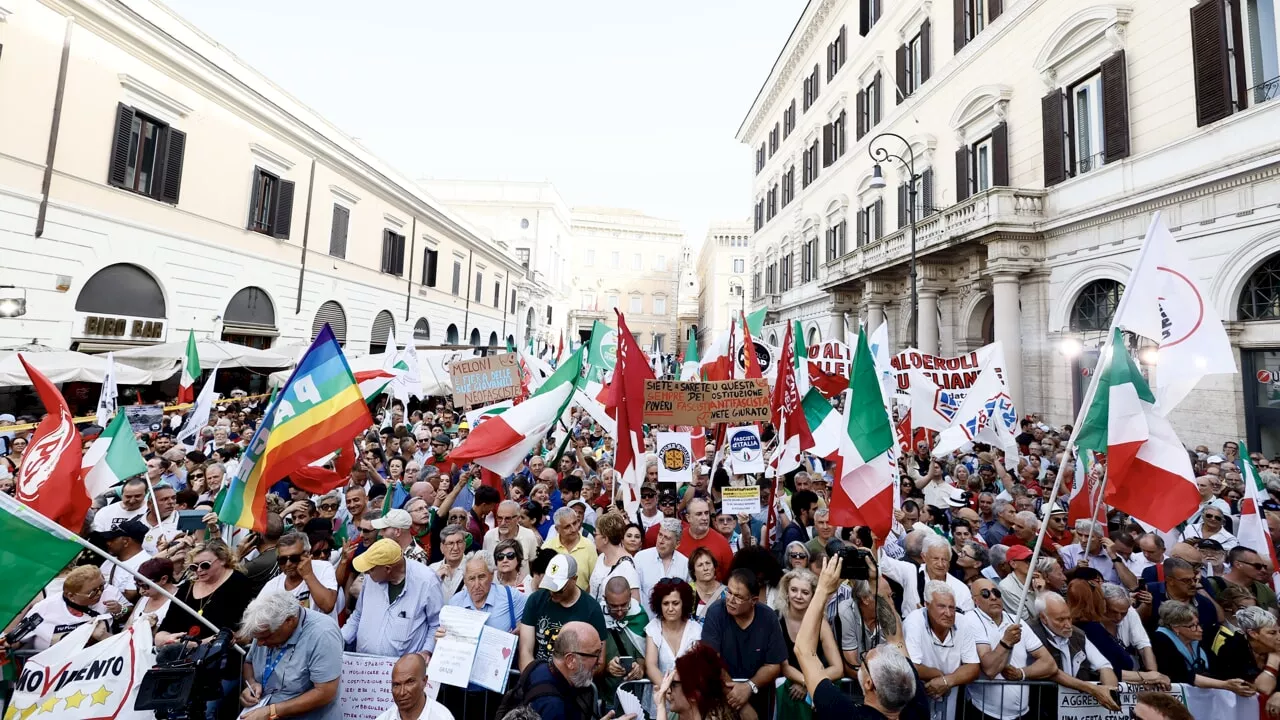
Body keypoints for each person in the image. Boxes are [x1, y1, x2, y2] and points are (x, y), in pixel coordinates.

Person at [796, 555, 917, 720]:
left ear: (869, 683)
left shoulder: (844, 713)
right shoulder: (917, 706)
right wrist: (875, 579)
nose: (872, 649)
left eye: (865, 660)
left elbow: (804, 650)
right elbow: (896, 639)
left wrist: (822, 589)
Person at [237, 591, 343, 720]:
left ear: (289, 621)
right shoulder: (264, 627)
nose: (259, 644)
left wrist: (271, 711)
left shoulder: (323, 633)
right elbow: (249, 662)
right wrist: (251, 684)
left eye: (266, 637)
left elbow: (325, 692)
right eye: (256, 638)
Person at [963, 577, 1057, 720]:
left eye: (996, 592)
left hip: (1023, 713)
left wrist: (1021, 673)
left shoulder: (1016, 620)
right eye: (985, 594)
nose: (993, 597)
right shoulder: (970, 619)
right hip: (985, 712)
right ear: (975, 600)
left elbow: (1049, 664)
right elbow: (990, 670)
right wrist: (1006, 642)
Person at [701, 568, 787, 719]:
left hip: (760, 695)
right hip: (721, 696)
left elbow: (773, 666)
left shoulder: (768, 618)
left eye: (739, 597)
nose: (731, 600)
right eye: (729, 592)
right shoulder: (716, 612)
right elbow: (712, 661)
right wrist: (740, 703)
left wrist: (749, 687)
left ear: (753, 601)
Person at [343, 538, 444, 659]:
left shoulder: (427, 581)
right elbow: (358, 615)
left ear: (387, 569)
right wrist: (339, 639)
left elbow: (436, 624)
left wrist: (426, 651)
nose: (366, 572)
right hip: (365, 666)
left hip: (403, 671)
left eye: (371, 569)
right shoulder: (370, 579)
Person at [1027, 591, 1120, 711]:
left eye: (1069, 618)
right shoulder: (1031, 633)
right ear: (1044, 618)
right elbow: (1051, 672)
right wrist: (1093, 690)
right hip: (1042, 707)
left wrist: (1109, 691)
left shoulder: (1077, 634)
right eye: (1060, 620)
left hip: (1073, 709)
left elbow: (1104, 665)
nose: (1068, 625)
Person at [902, 581, 979, 719]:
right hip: (916, 700)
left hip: (949, 700)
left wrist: (946, 681)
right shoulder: (914, 620)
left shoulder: (963, 622)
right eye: (941, 606)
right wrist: (937, 674)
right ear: (926, 605)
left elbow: (973, 667)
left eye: (952, 607)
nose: (948, 613)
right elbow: (911, 666)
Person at [517, 553, 607, 668]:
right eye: (549, 586)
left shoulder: (591, 609)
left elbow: (599, 662)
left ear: (574, 579)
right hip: (539, 674)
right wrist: (533, 678)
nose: (552, 593)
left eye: (559, 589)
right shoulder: (536, 600)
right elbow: (525, 651)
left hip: (574, 678)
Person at [157, 541, 254, 645]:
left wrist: (201, 643)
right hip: (183, 653)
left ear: (223, 560)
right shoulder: (187, 587)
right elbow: (162, 632)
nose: (199, 570)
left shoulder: (239, 583)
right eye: (194, 567)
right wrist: (168, 638)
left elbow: (246, 632)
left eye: (205, 565)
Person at [1152, 599, 1255, 696]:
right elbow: (1182, 675)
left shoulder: (1197, 640)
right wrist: (1225, 685)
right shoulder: (1161, 640)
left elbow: (1217, 669)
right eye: (1192, 626)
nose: (1200, 629)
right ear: (1176, 628)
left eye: (1198, 624)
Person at [775, 569, 840, 720]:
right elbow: (784, 666)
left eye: (805, 592)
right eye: (793, 590)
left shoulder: (821, 624)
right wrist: (808, 682)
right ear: (786, 591)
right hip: (786, 688)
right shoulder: (776, 619)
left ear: (813, 596)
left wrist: (810, 685)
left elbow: (837, 669)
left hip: (814, 689)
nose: (798, 596)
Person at [507, 621, 602, 720]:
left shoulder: (538, 667)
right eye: (596, 654)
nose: (599, 661)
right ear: (570, 660)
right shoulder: (553, 707)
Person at [1209, 604, 1280, 712]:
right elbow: (1262, 689)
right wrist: (1274, 659)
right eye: (1272, 633)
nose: (1279, 637)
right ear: (1253, 634)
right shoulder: (1232, 649)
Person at [257, 532, 340, 619]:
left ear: (307, 554)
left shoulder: (323, 568)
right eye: (283, 560)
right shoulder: (272, 586)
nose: (288, 564)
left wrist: (308, 575)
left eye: (294, 558)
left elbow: (328, 605)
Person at [652, 643, 741, 720]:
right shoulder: (673, 716)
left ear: (694, 693)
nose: (668, 691)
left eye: (673, 684)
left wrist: (661, 707)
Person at [599, 576, 648, 713]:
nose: (620, 611)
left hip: (634, 696)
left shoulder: (639, 616)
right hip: (605, 695)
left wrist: (639, 669)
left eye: (624, 605)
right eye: (614, 607)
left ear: (631, 596)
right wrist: (607, 668)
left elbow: (643, 653)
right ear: (605, 599)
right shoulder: (597, 616)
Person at [644, 577, 702, 685]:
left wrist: (679, 694)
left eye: (675, 603)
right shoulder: (653, 628)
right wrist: (666, 690)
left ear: (684, 604)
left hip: (687, 693)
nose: (670, 608)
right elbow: (650, 666)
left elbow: (695, 668)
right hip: (659, 692)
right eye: (665, 603)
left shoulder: (695, 630)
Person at [375, 653, 456, 720]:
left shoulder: (442, 717)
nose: (402, 692)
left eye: (409, 682)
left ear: (424, 681)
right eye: (396, 685)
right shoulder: (384, 717)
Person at [97, 517, 153, 604]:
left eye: (112, 539)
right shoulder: (110, 561)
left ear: (126, 541)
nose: (108, 543)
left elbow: (130, 596)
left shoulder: (145, 564)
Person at [636, 518, 689, 609]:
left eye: (667, 538)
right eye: (660, 535)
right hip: (648, 619)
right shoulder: (640, 558)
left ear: (677, 544)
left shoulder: (685, 563)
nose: (661, 541)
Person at [677, 498, 733, 581]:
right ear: (688, 518)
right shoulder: (677, 539)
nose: (705, 518)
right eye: (699, 514)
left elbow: (729, 577)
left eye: (706, 513)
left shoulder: (722, 543)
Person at [544, 507, 598, 592]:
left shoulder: (589, 546)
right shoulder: (547, 548)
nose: (574, 529)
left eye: (575, 523)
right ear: (557, 529)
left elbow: (594, 581)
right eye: (567, 527)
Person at [590, 512, 640, 600]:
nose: (594, 538)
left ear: (605, 539)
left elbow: (635, 604)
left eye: (596, 534)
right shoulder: (602, 557)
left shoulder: (627, 567)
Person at [484, 500, 540, 568]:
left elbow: (535, 565)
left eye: (507, 519)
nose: (502, 523)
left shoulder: (529, 535)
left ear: (518, 518)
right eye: (499, 518)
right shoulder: (489, 536)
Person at [127, 557, 178, 627]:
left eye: (145, 586)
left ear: (164, 579)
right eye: (138, 586)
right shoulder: (144, 598)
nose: (141, 591)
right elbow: (126, 631)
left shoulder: (179, 600)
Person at [428, 524, 470, 602]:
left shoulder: (473, 568)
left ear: (464, 544)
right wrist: (435, 579)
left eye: (459, 542)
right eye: (450, 543)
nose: (455, 548)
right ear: (442, 547)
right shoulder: (432, 569)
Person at [689, 547, 725, 618]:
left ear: (714, 567)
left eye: (708, 563)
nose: (705, 568)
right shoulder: (687, 591)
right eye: (700, 565)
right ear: (694, 572)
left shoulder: (727, 592)